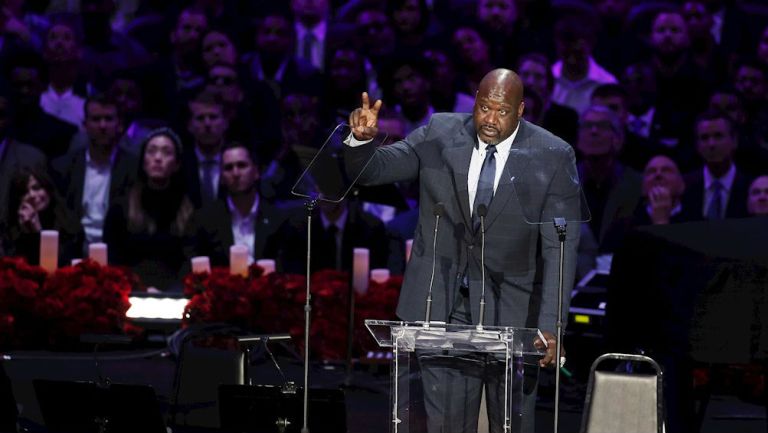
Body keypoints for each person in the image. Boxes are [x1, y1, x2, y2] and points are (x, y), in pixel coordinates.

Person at [345, 68, 579, 433]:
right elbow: (375, 171)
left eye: (502, 111)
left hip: (513, 310)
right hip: (440, 307)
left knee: (511, 424)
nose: (490, 119)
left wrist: (552, 326)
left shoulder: (552, 155)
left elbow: (560, 249)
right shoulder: (439, 132)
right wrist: (362, 141)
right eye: (484, 107)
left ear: (521, 111)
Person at [103, 128, 193, 291]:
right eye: (151, 152)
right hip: (130, 292)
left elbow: (189, 263)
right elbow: (114, 259)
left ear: (177, 164)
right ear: (143, 161)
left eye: (166, 152)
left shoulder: (189, 210)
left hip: (175, 295)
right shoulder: (121, 206)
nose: (158, 158)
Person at [185, 142, 288, 268]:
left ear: (256, 172)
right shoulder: (204, 220)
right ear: (222, 178)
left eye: (242, 165)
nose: (236, 173)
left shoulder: (278, 219)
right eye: (228, 168)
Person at [1, 168, 82, 265]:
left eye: (36, 188)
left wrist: (38, 232)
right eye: (24, 192)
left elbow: (61, 265)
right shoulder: (10, 227)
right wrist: (25, 234)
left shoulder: (69, 224)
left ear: (48, 189)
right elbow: (10, 266)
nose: (31, 195)